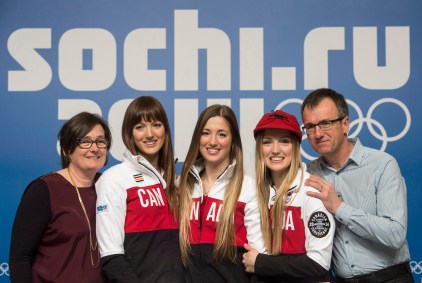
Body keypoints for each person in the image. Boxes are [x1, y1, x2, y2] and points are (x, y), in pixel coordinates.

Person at [301, 88, 413, 283]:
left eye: (325, 123)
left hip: (390, 278)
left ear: (345, 124)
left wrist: (339, 208)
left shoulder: (382, 164)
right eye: (310, 127)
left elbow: (395, 234)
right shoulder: (309, 174)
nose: (317, 133)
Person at [9, 112, 111, 283]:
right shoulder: (43, 190)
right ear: (66, 148)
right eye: (85, 141)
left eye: (100, 141)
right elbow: (20, 257)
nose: (95, 148)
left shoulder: (110, 186)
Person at [95, 96, 184, 282]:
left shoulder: (174, 182)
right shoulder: (114, 179)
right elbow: (111, 258)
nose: (149, 134)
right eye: (140, 127)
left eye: (156, 125)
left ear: (165, 130)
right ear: (130, 133)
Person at [242, 110, 335, 283]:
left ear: (295, 147)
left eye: (284, 141)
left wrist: (262, 263)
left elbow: (319, 263)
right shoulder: (254, 192)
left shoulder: (311, 191)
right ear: (259, 149)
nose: (275, 150)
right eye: (267, 142)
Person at [178, 104, 265, 283]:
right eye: (206, 133)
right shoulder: (182, 185)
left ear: (233, 140)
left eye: (222, 134)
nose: (213, 141)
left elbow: (259, 258)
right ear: (197, 138)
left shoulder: (248, 188)